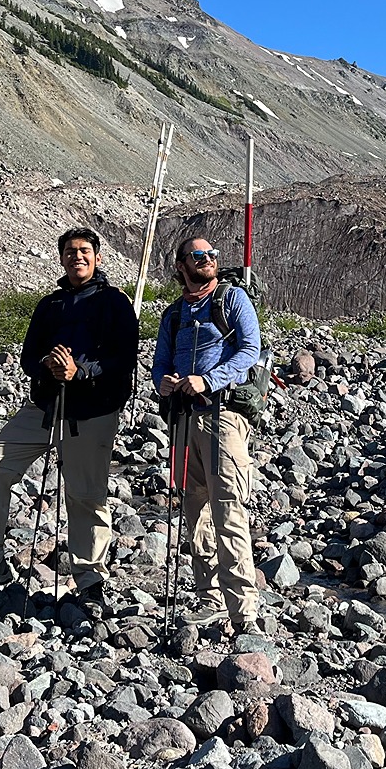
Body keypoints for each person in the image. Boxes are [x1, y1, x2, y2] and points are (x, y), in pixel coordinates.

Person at [0, 226, 137, 615]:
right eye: (71, 251)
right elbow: (29, 356)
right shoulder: (50, 305)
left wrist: (80, 371)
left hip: (91, 411)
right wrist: (47, 365)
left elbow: (123, 359)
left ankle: (90, 580)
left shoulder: (115, 303)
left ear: (97, 257)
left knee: (86, 494)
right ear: (61, 258)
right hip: (43, 407)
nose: (78, 257)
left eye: (85, 251)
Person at [152, 235, 263, 634]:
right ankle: (210, 597)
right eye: (200, 255)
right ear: (181, 265)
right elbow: (160, 360)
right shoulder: (174, 314)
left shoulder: (232, 300)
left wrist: (208, 380)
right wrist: (162, 381)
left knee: (229, 505)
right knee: (194, 505)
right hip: (183, 418)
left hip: (222, 413)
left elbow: (251, 349)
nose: (209, 259)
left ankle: (244, 609)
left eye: (212, 254)